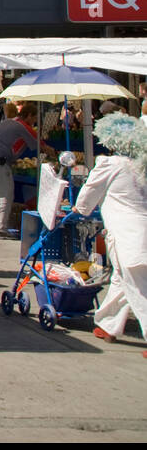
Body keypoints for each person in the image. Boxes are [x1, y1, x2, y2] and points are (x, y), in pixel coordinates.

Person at [74, 114, 147, 357]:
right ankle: (108, 324)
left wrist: (79, 209)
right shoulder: (141, 164)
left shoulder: (111, 164)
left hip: (128, 235)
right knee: (122, 279)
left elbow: (89, 193)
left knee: (137, 286)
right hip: (138, 232)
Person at [0, 101, 55, 237]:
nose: (34, 122)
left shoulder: (6, 122)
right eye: (34, 119)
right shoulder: (22, 125)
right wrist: (53, 153)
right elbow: (39, 143)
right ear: (29, 116)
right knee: (3, 195)